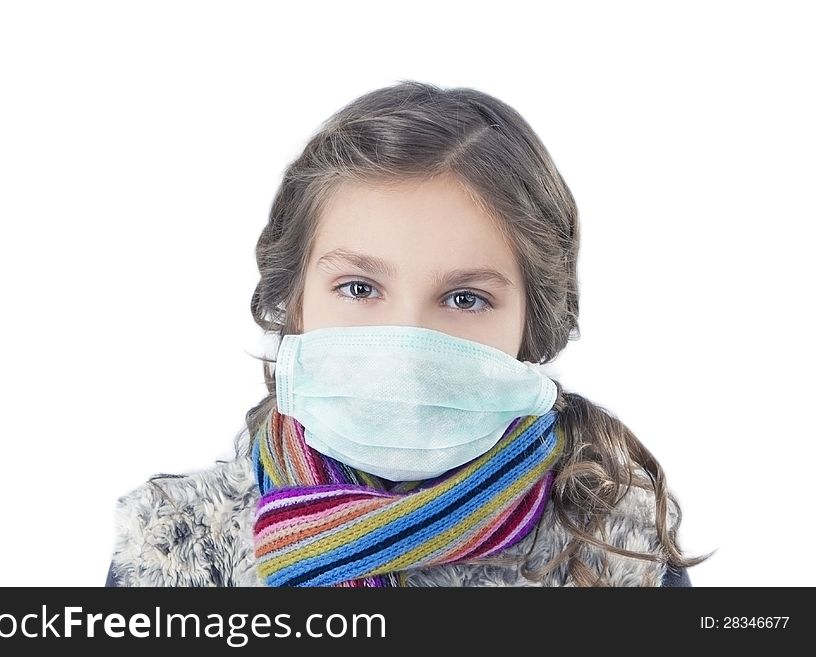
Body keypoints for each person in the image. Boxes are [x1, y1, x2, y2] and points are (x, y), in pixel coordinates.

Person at [106, 80, 711, 587]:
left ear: (533, 326)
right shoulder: (175, 551)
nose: (407, 346)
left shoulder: (614, 552)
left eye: (465, 298)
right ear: (292, 303)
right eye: (360, 288)